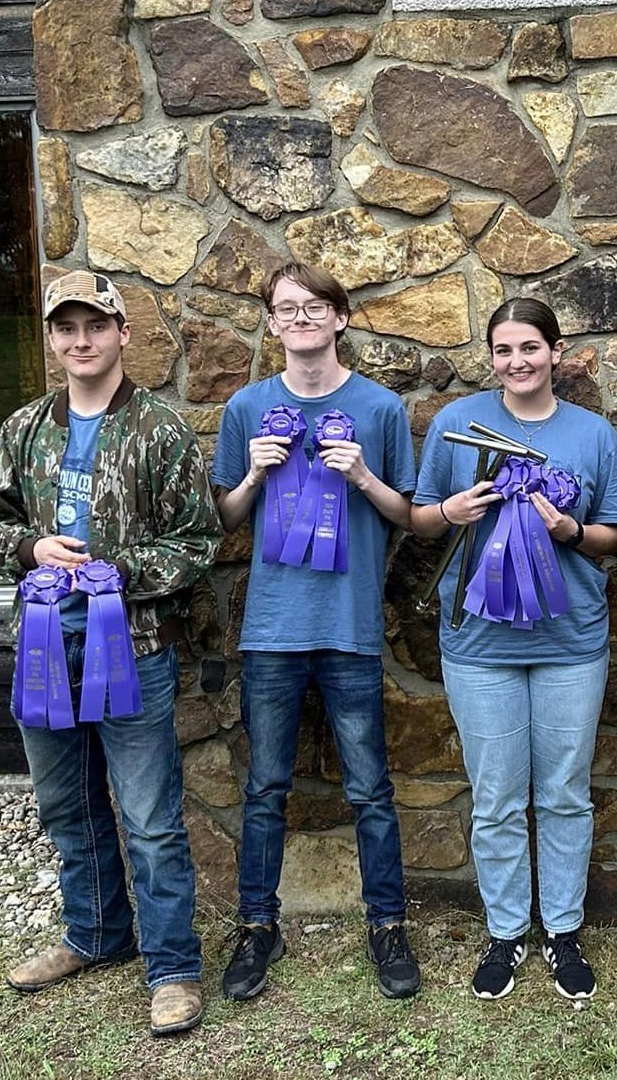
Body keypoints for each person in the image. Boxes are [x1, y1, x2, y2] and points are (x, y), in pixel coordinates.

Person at [0, 270, 221, 1038]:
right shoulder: (25, 429)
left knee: (150, 818)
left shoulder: (160, 429)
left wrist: (121, 572)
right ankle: (96, 934)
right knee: (67, 808)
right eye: (66, 328)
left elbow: (200, 538)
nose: (81, 341)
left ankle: (172, 966)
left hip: (132, 652)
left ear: (122, 334)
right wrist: (32, 548)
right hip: (44, 655)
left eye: (95, 326)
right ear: (51, 339)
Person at [212, 263, 421, 1003]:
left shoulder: (381, 408)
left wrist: (362, 475)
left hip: (351, 625)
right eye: (285, 309)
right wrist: (253, 478)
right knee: (265, 787)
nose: (300, 319)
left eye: (314, 307)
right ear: (272, 325)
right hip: (271, 629)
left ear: (340, 318)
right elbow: (225, 522)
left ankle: (388, 926)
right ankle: (257, 928)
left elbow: (408, 515)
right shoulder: (246, 408)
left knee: (370, 788)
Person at [410, 298, 617, 1002]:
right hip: (479, 644)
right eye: (504, 351)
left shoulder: (593, 435)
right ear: (492, 358)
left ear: (558, 353)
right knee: (498, 795)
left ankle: (563, 929)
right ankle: (505, 931)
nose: (518, 362)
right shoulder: (454, 426)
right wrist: (450, 512)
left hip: (570, 641)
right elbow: (420, 519)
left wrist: (568, 529)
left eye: (531, 348)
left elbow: (613, 536)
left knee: (564, 792)